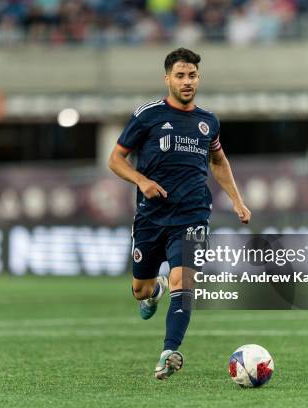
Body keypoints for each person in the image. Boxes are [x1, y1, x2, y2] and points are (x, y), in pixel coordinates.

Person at [108, 48, 251, 380]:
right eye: (180, 76)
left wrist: (237, 201)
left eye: (192, 76)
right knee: (140, 289)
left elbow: (218, 161)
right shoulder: (147, 115)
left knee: (183, 281)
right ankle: (153, 292)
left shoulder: (208, 122)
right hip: (151, 217)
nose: (187, 82)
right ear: (167, 79)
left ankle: (168, 351)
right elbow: (116, 159)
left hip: (193, 214)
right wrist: (141, 180)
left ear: (198, 78)